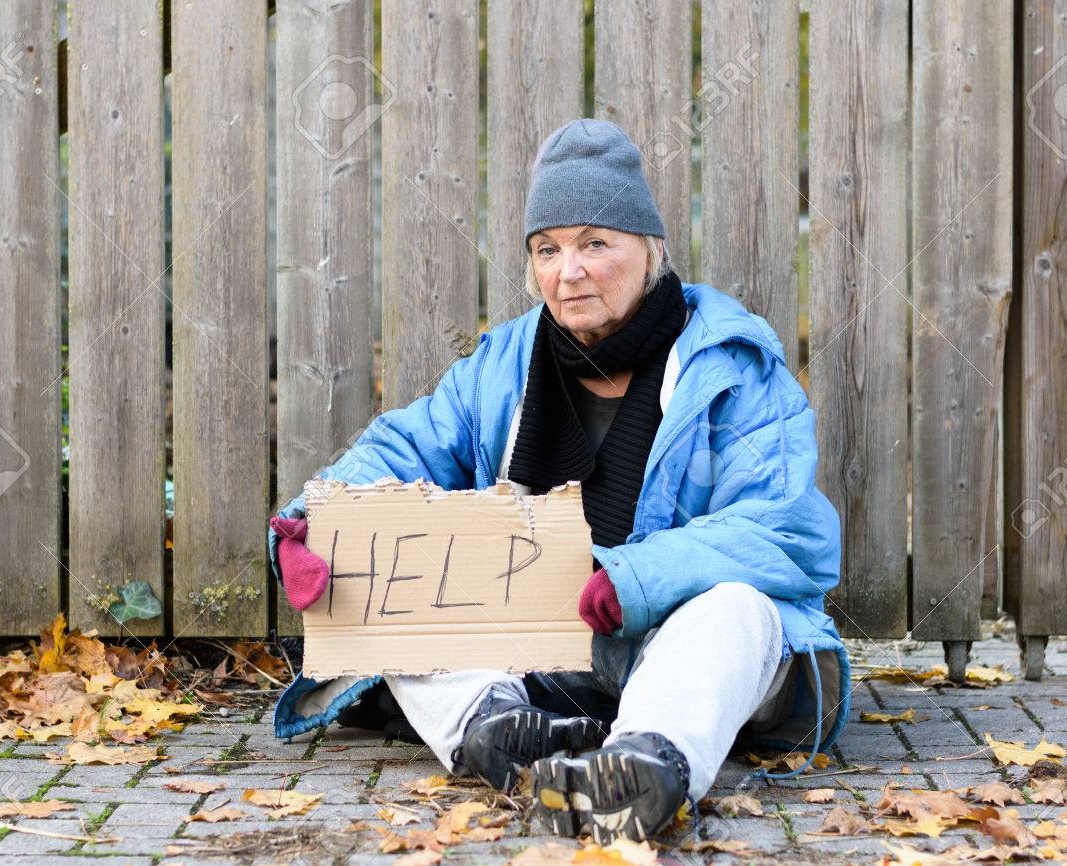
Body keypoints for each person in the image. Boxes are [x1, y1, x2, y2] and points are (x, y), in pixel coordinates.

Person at [268, 118, 849, 844]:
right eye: (547, 249)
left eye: (594, 244)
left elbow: (784, 529)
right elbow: (405, 446)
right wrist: (314, 523)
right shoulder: (505, 363)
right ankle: (500, 731)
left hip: (677, 651)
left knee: (737, 609)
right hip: (537, 653)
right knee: (388, 586)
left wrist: (633, 578)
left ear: (650, 250)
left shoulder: (730, 368)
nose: (567, 272)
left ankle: (645, 764)